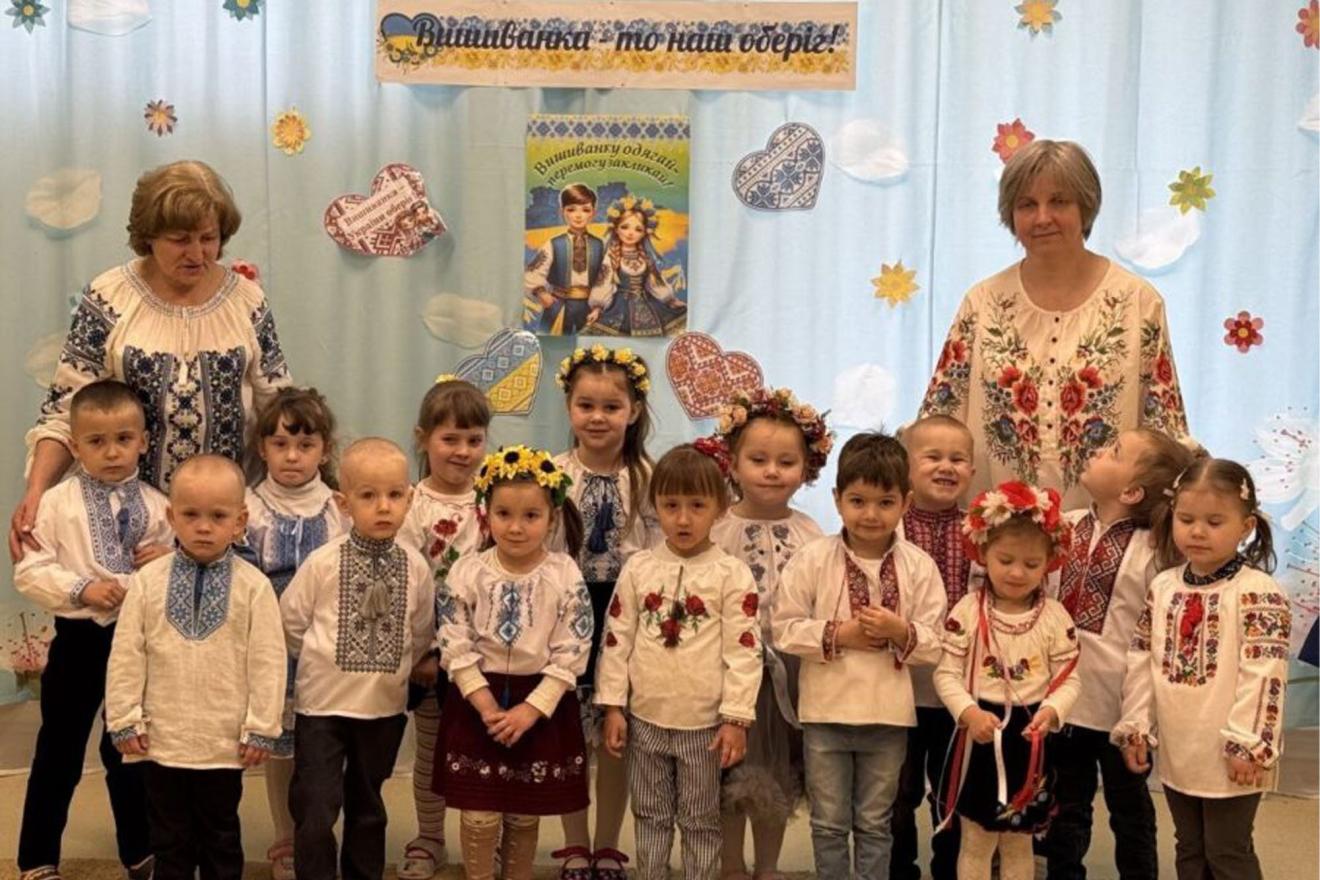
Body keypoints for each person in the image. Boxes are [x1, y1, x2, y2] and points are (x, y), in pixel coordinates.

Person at [11, 159, 291, 560]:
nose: (198, 254)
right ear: (149, 236)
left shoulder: (247, 300)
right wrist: (35, 494)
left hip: (220, 527)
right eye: (180, 239)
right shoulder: (109, 298)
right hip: (123, 533)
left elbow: (278, 407)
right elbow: (64, 413)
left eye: (208, 238)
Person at [918, 139, 1188, 510]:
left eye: (1059, 201)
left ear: (1086, 207)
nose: (1042, 217)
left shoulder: (1137, 303)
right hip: (994, 547)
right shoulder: (981, 304)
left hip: (1102, 542)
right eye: (1027, 204)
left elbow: (1165, 437)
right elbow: (938, 424)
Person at [13, 380, 172, 880]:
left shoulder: (159, 505)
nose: (111, 452)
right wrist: (82, 588)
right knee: (59, 746)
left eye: (124, 439)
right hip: (78, 640)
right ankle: (37, 858)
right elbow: (29, 571)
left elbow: (184, 570)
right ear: (75, 445)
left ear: (144, 442)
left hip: (137, 642)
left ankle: (140, 851)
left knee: (129, 745)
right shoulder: (57, 504)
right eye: (97, 442)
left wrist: (168, 560)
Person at [772, 432, 947, 880]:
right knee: (828, 823)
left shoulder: (918, 566)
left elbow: (936, 642)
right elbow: (783, 628)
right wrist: (842, 634)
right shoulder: (812, 559)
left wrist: (899, 630)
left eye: (885, 502)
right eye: (858, 500)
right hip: (825, 714)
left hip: (889, 718)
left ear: (906, 503)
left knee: (874, 822)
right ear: (837, 499)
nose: (870, 514)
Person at [105, 455, 287, 880]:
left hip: (223, 744)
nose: (203, 526)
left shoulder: (253, 587)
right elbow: (127, 653)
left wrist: (262, 725)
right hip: (160, 740)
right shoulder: (148, 582)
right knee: (169, 838)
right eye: (190, 515)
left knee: (221, 836)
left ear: (239, 521)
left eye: (218, 516)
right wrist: (124, 718)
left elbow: (268, 661)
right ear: (171, 517)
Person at [1113, 459, 1289, 880]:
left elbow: (1264, 672)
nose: (1197, 531)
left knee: (1227, 852)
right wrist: (1137, 723)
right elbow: (1142, 658)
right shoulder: (1164, 586)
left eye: (1214, 521)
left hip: (1232, 752)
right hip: (1181, 747)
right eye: (1187, 519)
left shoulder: (1257, 591)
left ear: (1245, 527)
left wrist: (1248, 742)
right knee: (1189, 848)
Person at [595, 444, 763, 880]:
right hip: (645, 720)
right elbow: (616, 640)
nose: (683, 518)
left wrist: (736, 719)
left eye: (696, 506)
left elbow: (744, 652)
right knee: (649, 814)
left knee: (700, 819)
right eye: (671, 505)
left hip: (705, 727)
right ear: (656, 506)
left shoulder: (731, 574)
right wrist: (613, 706)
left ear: (720, 508)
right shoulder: (638, 568)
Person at [1043, 429, 1199, 880]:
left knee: (1130, 811)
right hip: (1065, 700)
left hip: (1122, 710)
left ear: (1132, 492)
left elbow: (1159, 640)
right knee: (1064, 808)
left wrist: (1141, 718)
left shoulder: (1157, 553)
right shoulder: (1062, 526)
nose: (1096, 451)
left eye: (1113, 451)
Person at [431, 445, 592, 880]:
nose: (516, 527)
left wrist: (530, 710)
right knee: (480, 814)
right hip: (477, 702)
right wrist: (485, 706)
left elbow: (573, 648)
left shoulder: (565, 574)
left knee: (524, 812)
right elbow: (453, 640)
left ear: (552, 518)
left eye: (530, 516)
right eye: (504, 514)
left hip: (539, 706)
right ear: (485, 514)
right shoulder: (466, 571)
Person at [279, 438, 435, 880]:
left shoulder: (415, 566)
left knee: (368, 805)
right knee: (314, 807)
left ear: (409, 497)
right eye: (368, 496)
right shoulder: (322, 562)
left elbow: (421, 631)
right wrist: (318, 667)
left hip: (383, 709)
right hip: (321, 708)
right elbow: (289, 623)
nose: (383, 507)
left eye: (394, 495)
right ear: (344, 504)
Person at [701, 387, 833, 880]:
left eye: (786, 461)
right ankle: (730, 865)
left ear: (807, 468)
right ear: (732, 463)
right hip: (728, 673)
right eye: (758, 459)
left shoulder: (812, 535)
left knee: (778, 773)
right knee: (729, 772)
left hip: (787, 677)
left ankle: (770, 866)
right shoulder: (716, 529)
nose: (772, 471)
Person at [933, 481, 1080, 880]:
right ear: (983, 554)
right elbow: (946, 673)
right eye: (1005, 560)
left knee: (1020, 841)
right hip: (978, 734)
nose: (1017, 572)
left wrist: (1052, 710)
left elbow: (1070, 679)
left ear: (1049, 562)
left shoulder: (1054, 617)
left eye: (1031, 565)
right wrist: (967, 713)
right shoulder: (966, 611)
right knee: (976, 841)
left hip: (1030, 737)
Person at [552, 344, 660, 880]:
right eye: (586, 405)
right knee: (571, 734)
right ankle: (574, 844)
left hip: (626, 616)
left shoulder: (647, 475)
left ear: (634, 411)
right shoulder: (552, 474)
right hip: (568, 612)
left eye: (611, 407)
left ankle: (608, 845)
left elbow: (663, 548)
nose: (598, 417)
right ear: (569, 407)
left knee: (616, 733)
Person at [240, 387, 350, 880]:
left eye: (305, 445)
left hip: (327, 646)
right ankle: (285, 837)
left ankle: (319, 832)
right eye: (280, 444)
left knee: (324, 745)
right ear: (262, 447)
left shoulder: (340, 508)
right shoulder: (247, 506)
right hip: (269, 644)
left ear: (324, 450)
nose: (291, 456)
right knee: (279, 742)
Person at [394, 377, 492, 880]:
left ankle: (487, 840)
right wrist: (426, 651)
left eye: (474, 439)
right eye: (450, 439)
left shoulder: (493, 502)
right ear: (423, 438)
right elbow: (411, 585)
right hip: (431, 659)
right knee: (431, 752)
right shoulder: (410, 504)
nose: (462, 451)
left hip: (485, 656)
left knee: (483, 750)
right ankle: (429, 838)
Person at [889, 414, 978, 880]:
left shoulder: (982, 532)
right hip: (899, 685)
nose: (946, 467)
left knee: (953, 792)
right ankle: (898, 870)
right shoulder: (887, 528)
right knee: (897, 792)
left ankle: (951, 870)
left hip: (959, 691)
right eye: (933, 457)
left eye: (958, 459)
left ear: (972, 472)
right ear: (905, 468)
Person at [586, 195, 687, 337]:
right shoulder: (612, 256)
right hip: (620, 307)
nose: (630, 233)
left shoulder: (645, 255)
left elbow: (655, 282)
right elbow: (604, 283)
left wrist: (670, 300)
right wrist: (597, 308)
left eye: (638, 229)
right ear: (616, 229)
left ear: (645, 232)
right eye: (625, 227)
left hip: (649, 303)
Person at [524, 183, 607, 336]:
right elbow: (533, 272)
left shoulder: (600, 245)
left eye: (585, 210)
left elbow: (605, 277)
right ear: (562, 212)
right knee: (552, 344)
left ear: (593, 213)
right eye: (571, 209)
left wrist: (598, 306)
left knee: (592, 347)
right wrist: (541, 293)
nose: (578, 215)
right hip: (559, 306)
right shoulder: (553, 244)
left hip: (590, 308)